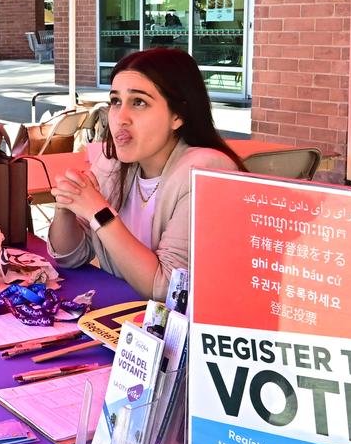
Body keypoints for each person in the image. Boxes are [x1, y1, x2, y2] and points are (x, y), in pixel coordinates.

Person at [48, 47, 243, 299]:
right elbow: (70, 258)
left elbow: (166, 289)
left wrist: (98, 212)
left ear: (178, 116)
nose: (121, 118)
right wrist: (66, 207)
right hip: (123, 319)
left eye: (139, 102)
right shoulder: (114, 163)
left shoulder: (205, 170)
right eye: (116, 101)